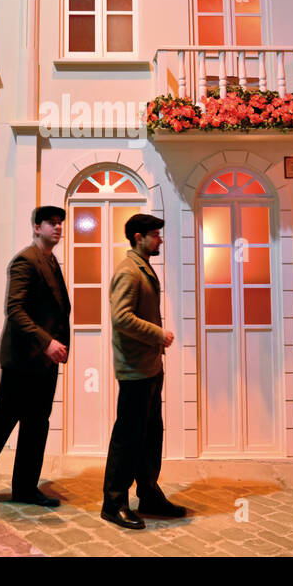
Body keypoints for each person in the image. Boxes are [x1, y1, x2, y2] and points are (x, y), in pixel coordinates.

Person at [0, 206, 70, 510]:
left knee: (37, 425)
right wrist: (47, 343)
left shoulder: (51, 261)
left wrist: (56, 349)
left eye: (60, 223)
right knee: (1, 422)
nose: (58, 227)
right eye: (51, 223)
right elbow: (15, 310)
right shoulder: (26, 260)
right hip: (22, 361)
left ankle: (24, 487)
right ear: (36, 227)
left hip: (45, 363)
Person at [101, 212, 187, 529]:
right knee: (128, 437)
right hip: (135, 370)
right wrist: (158, 334)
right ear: (138, 237)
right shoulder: (128, 272)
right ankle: (113, 503)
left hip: (150, 367)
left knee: (150, 435)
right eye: (155, 234)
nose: (159, 239)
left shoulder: (143, 267)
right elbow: (121, 318)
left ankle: (149, 495)